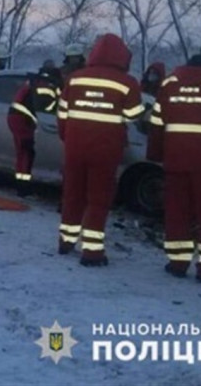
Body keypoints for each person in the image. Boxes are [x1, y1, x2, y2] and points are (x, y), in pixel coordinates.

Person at [56, 34, 144, 266]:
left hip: (75, 147)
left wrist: (69, 138)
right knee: (98, 199)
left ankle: (66, 241)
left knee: (72, 194)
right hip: (105, 150)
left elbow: (62, 114)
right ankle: (92, 252)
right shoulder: (127, 82)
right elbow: (135, 116)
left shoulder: (75, 79)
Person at [147, 40, 201, 284]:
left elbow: (157, 123)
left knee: (177, 212)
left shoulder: (170, 82)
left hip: (175, 160)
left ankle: (177, 263)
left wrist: (155, 155)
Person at [7, 64, 61, 197]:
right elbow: (44, 106)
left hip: (17, 118)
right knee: (27, 153)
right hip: (22, 120)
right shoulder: (43, 85)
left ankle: (20, 185)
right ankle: (23, 188)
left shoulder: (34, 82)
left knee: (22, 153)